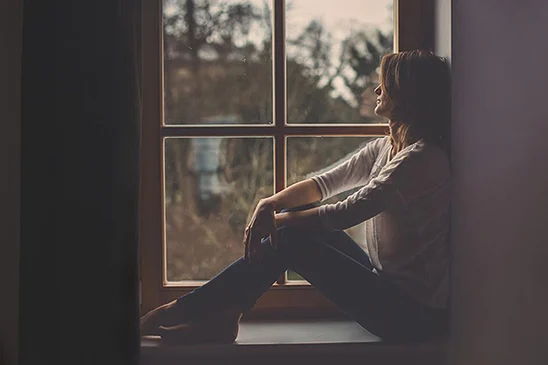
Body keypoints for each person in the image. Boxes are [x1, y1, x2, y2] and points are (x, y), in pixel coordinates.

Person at [140, 49, 452, 344]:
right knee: (297, 211)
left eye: (386, 84)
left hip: (412, 316)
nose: (377, 90)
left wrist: (275, 222)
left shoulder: (423, 160)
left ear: (408, 97)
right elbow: (322, 184)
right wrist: (271, 204)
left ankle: (182, 309)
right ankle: (226, 315)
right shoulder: (387, 147)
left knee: (292, 239)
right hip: (386, 288)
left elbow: (344, 213)